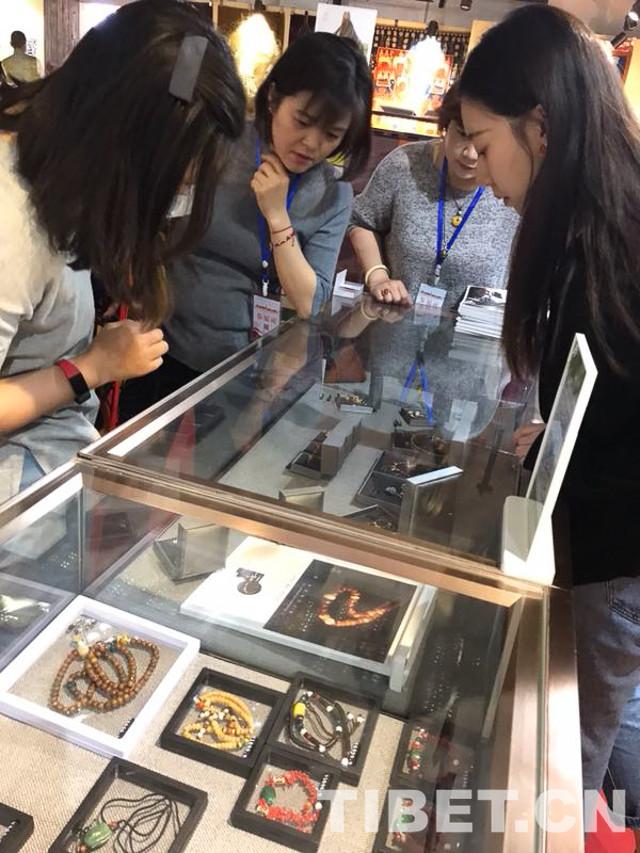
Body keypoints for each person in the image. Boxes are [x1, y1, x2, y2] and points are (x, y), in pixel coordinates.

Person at [459, 4, 640, 842]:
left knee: (565, 764)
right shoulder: (592, 229)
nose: (479, 166)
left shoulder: (618, 244)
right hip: (595, 547)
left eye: (483, 140)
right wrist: (563, 436)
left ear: (539, 127)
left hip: (613, 562)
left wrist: (576, 455)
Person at [0, 0, 245, 504]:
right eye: (172, 179)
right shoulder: (12, 224)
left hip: (46, 472)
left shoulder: (56, 183)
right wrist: (90, 367)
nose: (177, 195)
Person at [118, 32, 372, 420]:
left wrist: (277, 217)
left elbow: (310, 302)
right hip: (162, 343)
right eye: (302, 121)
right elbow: (150, 217)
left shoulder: (332, 195)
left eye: (332, 135)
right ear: (273, 98)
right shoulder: (216, 145)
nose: (311, 143)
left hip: (247, 368)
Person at [348, 83, 518, 310]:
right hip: (394, 321)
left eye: (483, 145)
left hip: (476, 330)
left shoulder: (514, 187)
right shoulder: (404, 165)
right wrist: (378, 276)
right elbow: (361, 220)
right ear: (446, 125)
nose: (470, 153)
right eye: (462, 134)